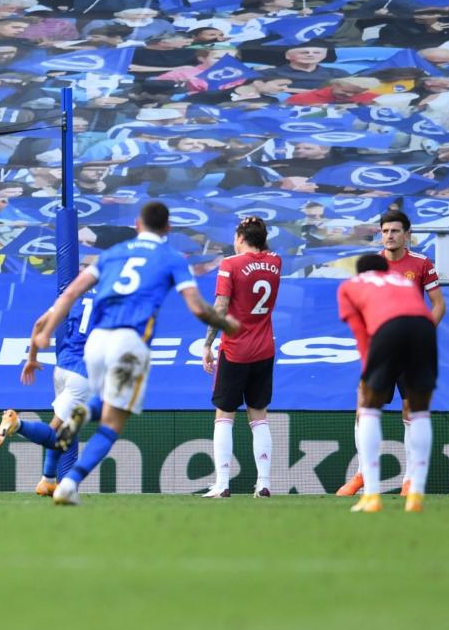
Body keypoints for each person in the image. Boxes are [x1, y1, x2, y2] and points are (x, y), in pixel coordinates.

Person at [33, 202, 241, 505]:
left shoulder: (112, 254)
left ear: (137, 225)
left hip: (96, 341)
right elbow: (197, 307)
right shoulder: (172, 257)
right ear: (168, 229)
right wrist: (226, 324)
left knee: (101, 400)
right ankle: (69, 483)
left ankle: (78, 417)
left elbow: (70, 294)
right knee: (113, 422)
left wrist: (46, 331)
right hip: (129, 342)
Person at [336, 210, 446, 498]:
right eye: (385, 231)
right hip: (383, 345)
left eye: (395, 231)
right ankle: (362, 473)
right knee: (365, 404)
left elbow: (438, 305)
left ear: (407, 234)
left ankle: (409, 480)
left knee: (411, 409)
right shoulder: (372, 266)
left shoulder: (421, 264)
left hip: (410, 344)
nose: (389, 236)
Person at [200, 217, 281, 499]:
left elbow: (220, 307)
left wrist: (208, 344)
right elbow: (264, 253)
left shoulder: (230, 265)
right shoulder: (275, 262)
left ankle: (222, 483)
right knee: (258, 415)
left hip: (235, 349)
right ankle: (264, 483)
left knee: (224, 415)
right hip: (264, 349)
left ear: (240, 237)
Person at [0, 287, 93, 497]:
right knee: (58, 435)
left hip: (62, 367)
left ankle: (48, 480)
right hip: (84, 373)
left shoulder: (74, 296)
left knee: (61, 427)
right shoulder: (114, 299)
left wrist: (32, 358)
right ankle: (16, 424)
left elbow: (39, 324)